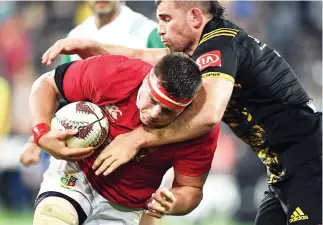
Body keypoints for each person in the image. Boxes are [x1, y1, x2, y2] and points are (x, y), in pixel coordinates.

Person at [42, 1, 322, 225]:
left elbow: (209, 114)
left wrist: (138, 138)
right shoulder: (204, 51)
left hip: (313, 162)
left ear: (195, 18)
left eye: (166, 18)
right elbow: (146, 56)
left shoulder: (220, 45)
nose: (160, 28)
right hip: (284, 170)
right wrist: (96, 48)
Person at [30, 53, 219, 225]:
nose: (154, 114)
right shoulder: (115, 73)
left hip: (126, 207)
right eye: (153, 100)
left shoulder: (199, 129)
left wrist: (173, 202)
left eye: (167, 111)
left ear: (185, 109)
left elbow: (190, 189)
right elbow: (47, 83)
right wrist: (41, 132)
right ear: (146, 80)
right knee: (52, 218)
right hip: (77, 175)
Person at [21, 0, 163, 165]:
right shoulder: (75, 36)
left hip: (135, 154)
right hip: (84, 149)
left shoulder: (148, 32)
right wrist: (36, 140)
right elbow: (61, 96)